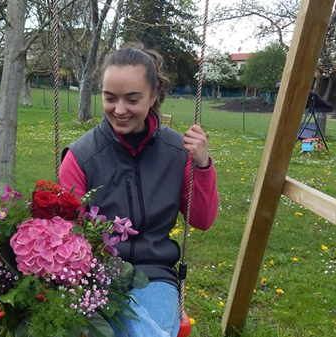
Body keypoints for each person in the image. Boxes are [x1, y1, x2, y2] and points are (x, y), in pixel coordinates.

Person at [59, 43, 219, 337]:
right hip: (98, 274)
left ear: (153, 95)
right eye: (110, 98)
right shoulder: (81, 157)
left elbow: (202, 220)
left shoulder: (177, 152)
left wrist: (204, 166)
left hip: (156, 273)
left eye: (132, 99)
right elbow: (66, 234)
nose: (119, 110)